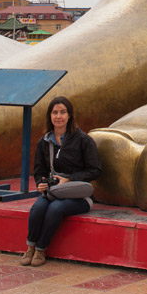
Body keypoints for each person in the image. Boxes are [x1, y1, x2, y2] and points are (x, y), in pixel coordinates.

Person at [21, 96, 100, 267]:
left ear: (69, 115)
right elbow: (39, 170)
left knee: (56, 209)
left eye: (63, 112)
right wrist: (41, 182)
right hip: (53, 191)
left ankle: (41, 249)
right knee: (38, 208)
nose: (58, 116)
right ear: (49, 116)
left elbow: (95, 170)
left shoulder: (83, 140)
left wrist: (69, 179)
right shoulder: (44, 142)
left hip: (78, 194)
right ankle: (30, 247)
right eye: (55, 112)